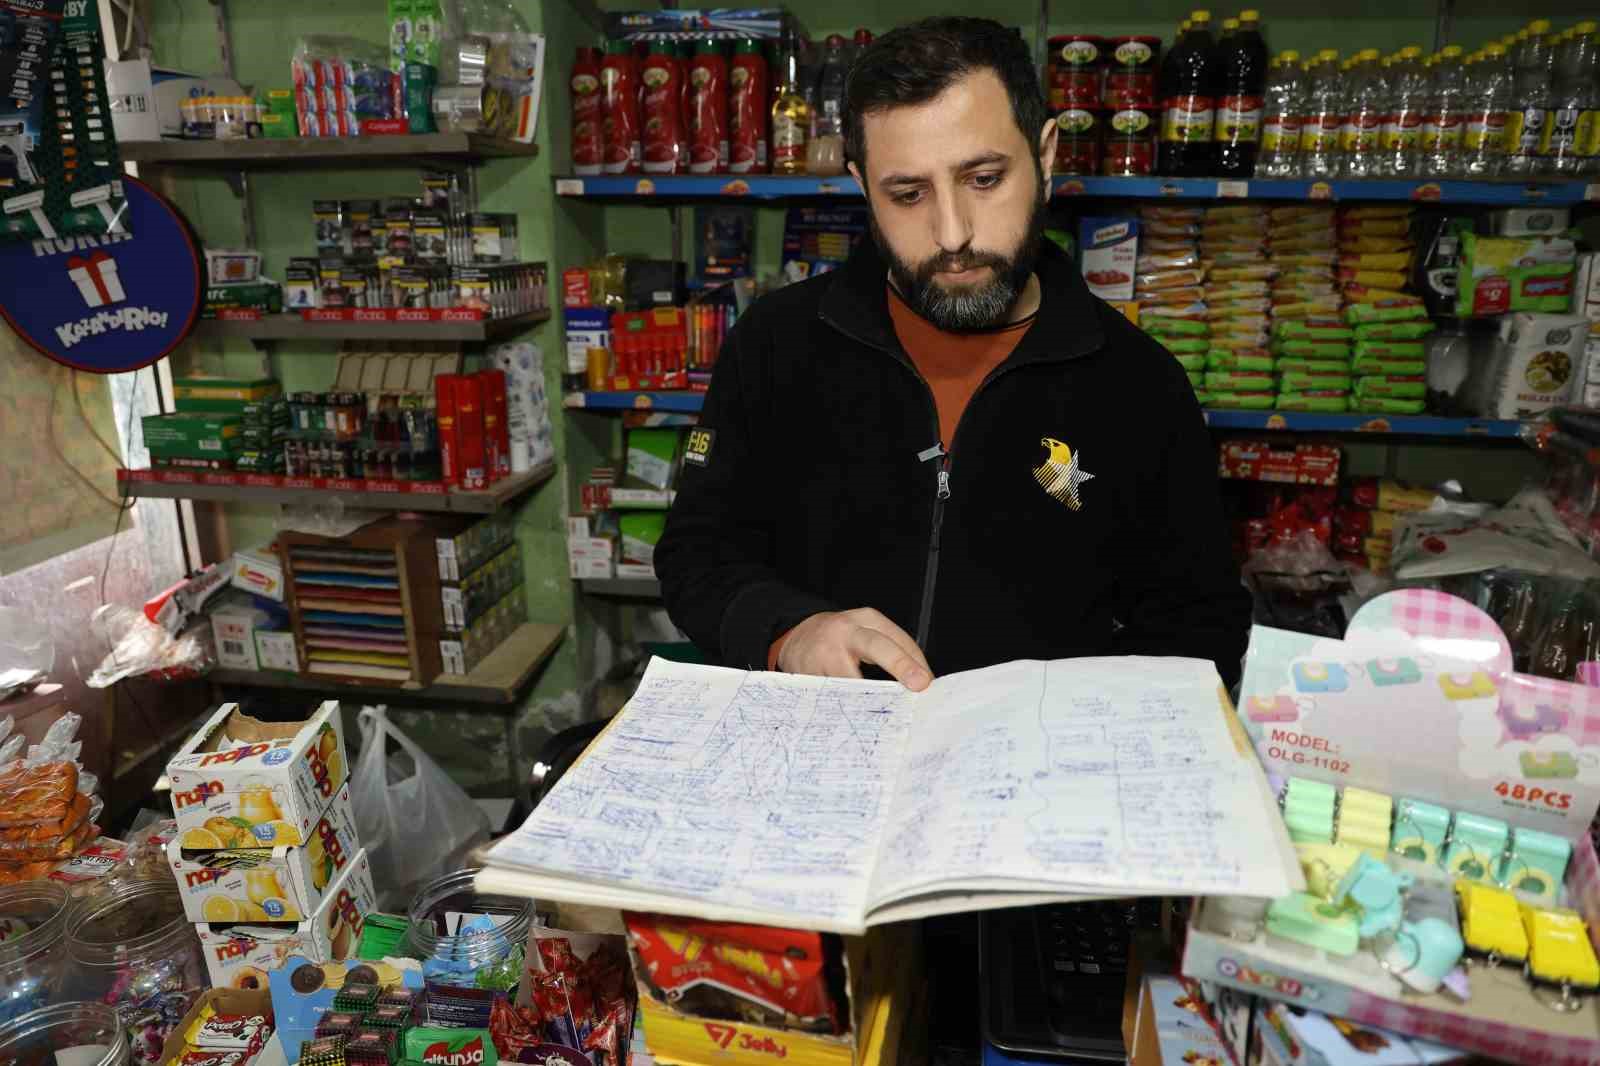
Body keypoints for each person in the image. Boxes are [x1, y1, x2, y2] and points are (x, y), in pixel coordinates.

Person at [654, 16, 1252, 691]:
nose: (952, 233)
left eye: (984, 179)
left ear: (1046, 154)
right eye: (907, 194)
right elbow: (695, 554)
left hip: (1036, 775)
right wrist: (788, 632)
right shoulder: (775, 343)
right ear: (861, 185)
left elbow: (1200, 626)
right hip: (820, 757)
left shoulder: (1141, 387)